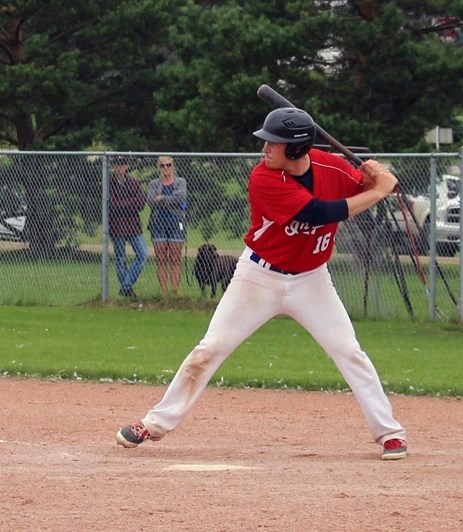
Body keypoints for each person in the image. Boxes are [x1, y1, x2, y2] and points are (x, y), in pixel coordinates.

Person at [116, 107, 408, 460]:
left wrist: (376, 177)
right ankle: (155, 423)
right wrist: (379, 191)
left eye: (274, 143)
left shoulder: (331, 167)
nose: (265, 148)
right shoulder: (263, 178)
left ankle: (390, 434)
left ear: (297, 149)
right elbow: (319, 213)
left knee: (348, 351)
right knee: (209, 349)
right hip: (258, 278)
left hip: (312, 280)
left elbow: (366, 186)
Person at [147, 156, 187, 296]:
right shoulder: (154, 184)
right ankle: (164, 293)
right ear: (159, 167)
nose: (166, 168)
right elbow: (151, 201)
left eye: (168, 165)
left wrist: (162, 198)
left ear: (173, 166)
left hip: (176, 222)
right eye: (163, 165)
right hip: (158, 223)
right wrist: (170, 200)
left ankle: (174, 291)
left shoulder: (181, 182)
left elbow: (181, 197)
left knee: (175, 258)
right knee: (161, 259)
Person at [109, 156, 148, 298]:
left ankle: (125, 287)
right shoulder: (109, 183)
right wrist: (131, 203)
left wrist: (123, 203)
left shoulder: (134, 182)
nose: (120, 168)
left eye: (123, 165)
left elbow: (141, 203)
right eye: (117, 165)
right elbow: (113, 205)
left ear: (126, 166)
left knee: (143, 254)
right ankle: (127, 291)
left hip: (133, 225)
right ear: (114, 167)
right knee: (120, 258)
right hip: (116, 225)